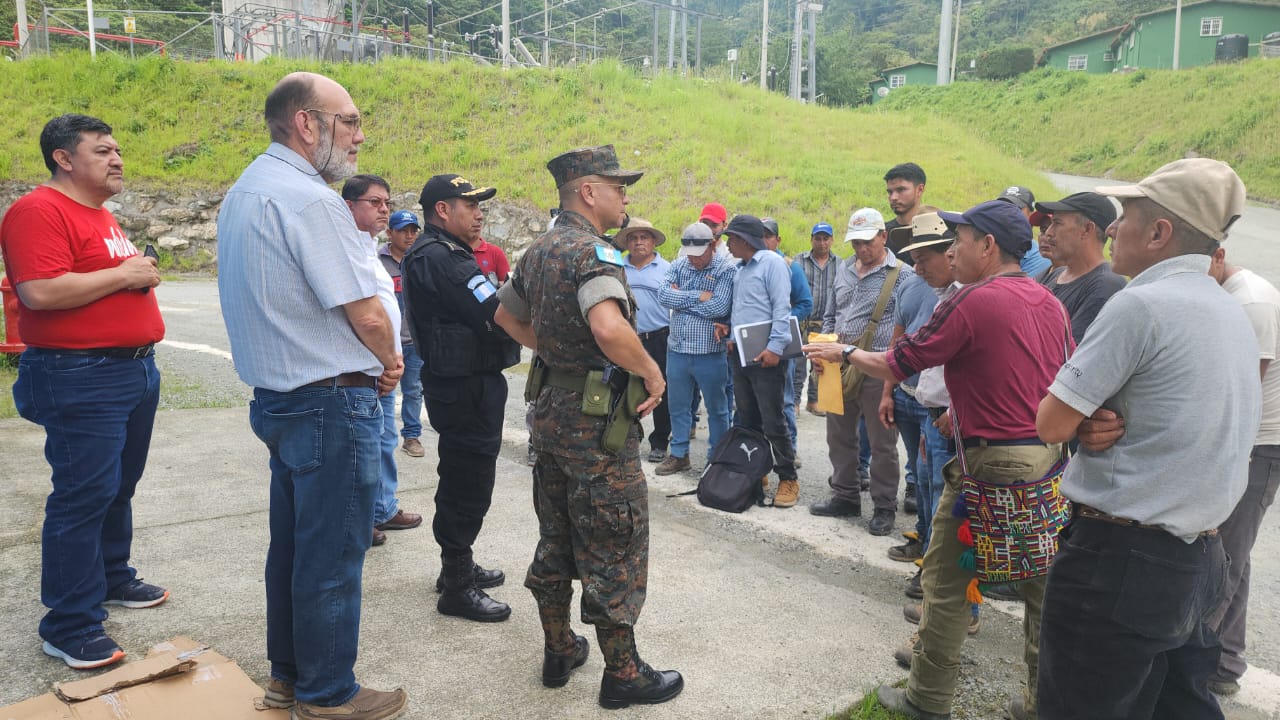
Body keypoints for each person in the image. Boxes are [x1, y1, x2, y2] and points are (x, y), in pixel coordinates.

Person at [807, 199, 1071, 720]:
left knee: (946, 581)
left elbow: (900, 361)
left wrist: (844, 354)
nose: (953, 252)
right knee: (1042, 586)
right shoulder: (1048, 301)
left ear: (988, 246)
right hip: (1045, 462)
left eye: (960, 242)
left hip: (990, 466)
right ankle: (1044, 704)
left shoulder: (972, 300)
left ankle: (926, 699)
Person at [1036, 158, 1259, 720]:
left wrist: (1088, 418)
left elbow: (1050, 424)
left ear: (1160, 233)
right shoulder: (1227, 309)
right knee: (1179, 705)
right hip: (1201, 554)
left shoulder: (1139, 304)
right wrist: (1101, 417)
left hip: (1119, 559)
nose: (1111, 228)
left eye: (1127, 216)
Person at [216, 72, 407, 719]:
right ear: (307, 124)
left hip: (283, 398)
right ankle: (328, 694)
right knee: (332, 555)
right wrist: (389, 361)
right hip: (329, 401)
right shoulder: (309, 200)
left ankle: (289, 678)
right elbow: (368, 314)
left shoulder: (247, 190)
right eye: (347, 121)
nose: (357, 135)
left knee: (295, 549)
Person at [494, 145, 683, 708]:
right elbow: (608, 326)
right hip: (598, 426)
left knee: (556, 533)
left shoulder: (539, 250)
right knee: (614, 542)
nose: (625, 195)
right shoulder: (594, 252)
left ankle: (559, 649)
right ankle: (623, 675)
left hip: (551, 415)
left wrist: (554, 353)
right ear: (587, 192)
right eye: (617, 185)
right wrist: (650, 371)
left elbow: (505, 316)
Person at [1, 113, 166, 671]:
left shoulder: (101, 215)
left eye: (117, 148)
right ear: (63, 158)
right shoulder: (39, 211)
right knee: (81, 494)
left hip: (131, 370)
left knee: (118, 485)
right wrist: (128, 276)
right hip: (81, 375)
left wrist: (136, 272)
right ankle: (69, 623)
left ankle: (112, 577)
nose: (117, 157)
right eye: (102, 150)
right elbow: (42, 292)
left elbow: (109, 277)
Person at [400, 173, 519, 623]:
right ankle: (456, 585)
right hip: (464, 388)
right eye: (470, 206)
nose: (479, 214)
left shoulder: (441, 253)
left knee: (464, 478)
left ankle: (458, 567)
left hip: (467, 383)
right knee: (467, 483)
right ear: (443, 211)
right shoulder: (443, 258)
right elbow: (497, 313)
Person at [809, 208, 913, 535]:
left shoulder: (903, 275)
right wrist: (823, 347)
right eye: (855, 243)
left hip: (876, 366)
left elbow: (907, 326)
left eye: (867, 242)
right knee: (838, 435)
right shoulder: (843, 269)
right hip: (837, 363)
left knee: (882, 441)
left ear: (884, 236)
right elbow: (831, 313)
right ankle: (845, 495)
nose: (861, 249)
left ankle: (884, 506)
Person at [1205, 246, 1280, 698]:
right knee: (1235, 552)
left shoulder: (1248, 301)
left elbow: (1242, 389)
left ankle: (1191, 671)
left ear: (1217, 257)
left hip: (1255, 444)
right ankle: (1225, 661)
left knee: (1221, 558)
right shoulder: (1226, 293)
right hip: (1245, 440)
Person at [343, 175, 422, 548]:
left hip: (384, 365)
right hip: (365, 368)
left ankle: (382, 508)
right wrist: (390, 360)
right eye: (375, 202)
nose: (384, 209)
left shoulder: (365, 245)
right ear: (349, 206)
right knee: (361, 447)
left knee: (383, 439)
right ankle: (361, 519)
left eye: (386, 202)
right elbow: (366, 318)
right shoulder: (347, 247)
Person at [719, 214, 801, 507]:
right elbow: (745, 310)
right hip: (741, 354)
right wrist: (731, 335)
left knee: (773, 419)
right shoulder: (740, 270)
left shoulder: (773, 264)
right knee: (748, 417)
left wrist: (776, 347)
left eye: (731, 239)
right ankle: (756, 471)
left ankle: (788, 478)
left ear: (744, 240)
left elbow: (782, 307)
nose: (727, 244)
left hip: (767, 356)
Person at [655, 223, 735, 476]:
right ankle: (679, 454)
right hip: (677, 349)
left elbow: (720, 307)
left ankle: (717, 457)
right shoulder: (679, 264)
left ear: (712, 245)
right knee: (677, 406)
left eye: (699, 253)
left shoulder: (726, 269)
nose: (694, 259)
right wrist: (699, 296)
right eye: (690, 253)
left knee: (718, 408)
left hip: (710, 352)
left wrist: (683, 298)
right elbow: (664, 296)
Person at [1033, 192, 1125, 343]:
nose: (1048, 233)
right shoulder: (1055, 274)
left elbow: (1067, 354)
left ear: (1087, 230)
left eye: (1057, 223)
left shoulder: (1105, 286)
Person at [761, 217, 813, 464]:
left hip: (782, 340)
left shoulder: (790, 266)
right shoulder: (748, 265)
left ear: (777, 239)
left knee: (785, 397)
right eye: (758, 235)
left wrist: (780, 320)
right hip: (755, 340)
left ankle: (789, 449)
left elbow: (805, 303)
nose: (763, 240)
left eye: (767, 235)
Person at [620, 218, 673, 463]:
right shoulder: (616, 266)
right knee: (624, 389)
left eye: (644, 237)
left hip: (660, 337)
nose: (639, 242)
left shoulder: (668, 269)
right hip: (626, 338)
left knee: (661, 390)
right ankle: (624, 437)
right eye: (633, 238)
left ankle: (660, 442)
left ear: (653, 242)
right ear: (627, 243)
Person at [380, 210, 427, 458]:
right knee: (384, 390)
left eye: (413, 231)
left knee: (413, 389)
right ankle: (381, 434)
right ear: (390, 233)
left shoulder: (421, 259)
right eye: (403, 231)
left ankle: (412, 436)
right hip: (385, 343)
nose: (409, 236)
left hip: (414, 340)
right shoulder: (377, 261)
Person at [794, 222, 839, 416]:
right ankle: (794, 401)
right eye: (818, 238)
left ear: (832, 240)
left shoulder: (841, 264)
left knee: (820, 364)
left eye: (826, 238)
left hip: (825, 322)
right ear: (811, 239)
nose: (822, 243)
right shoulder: (798, 261)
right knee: (796, 365)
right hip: (802, 322)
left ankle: (814, 400)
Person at [996, 185, 1052, 278]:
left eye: (1015, 208)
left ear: (1030, 215)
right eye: (1001, 207)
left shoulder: (1039, 256)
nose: (1007, 213)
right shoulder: (987, 241)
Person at [883, 162, 928, 265]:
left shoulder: (936, 230)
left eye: (901, 190)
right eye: (890, 192)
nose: (893, 197)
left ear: (920, 190)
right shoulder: (882, 234)